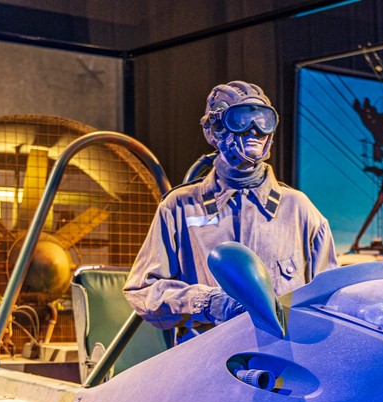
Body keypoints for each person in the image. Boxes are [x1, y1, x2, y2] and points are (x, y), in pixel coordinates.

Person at [124, 81, 337, 333]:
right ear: (216, 129)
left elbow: (330, 296)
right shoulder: (180, 207)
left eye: (263, 121)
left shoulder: (298, 210)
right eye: (241, 120)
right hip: (209, 351)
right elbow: (143, 290)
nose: (254, 131)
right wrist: (208, 302)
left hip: (281, 352)